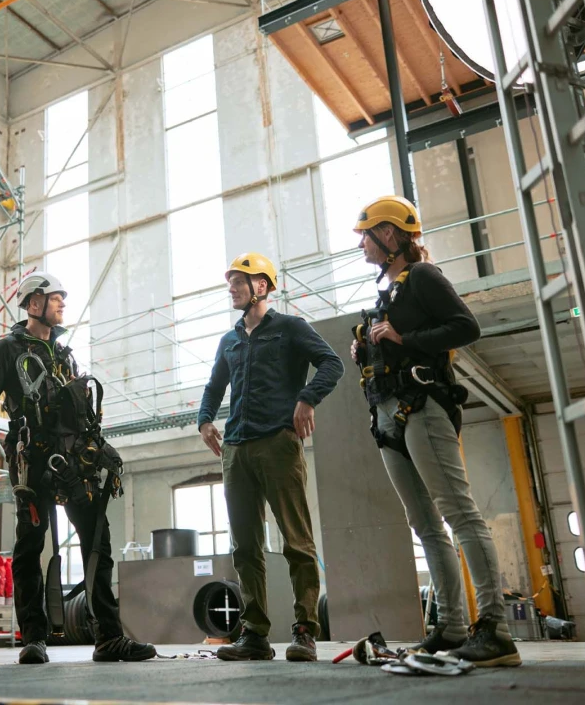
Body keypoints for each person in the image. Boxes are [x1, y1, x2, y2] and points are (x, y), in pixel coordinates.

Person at [349, 195, 521, 667]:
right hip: (387, 416)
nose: (361, 243)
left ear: (389, 235)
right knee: (425, 525)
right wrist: (368, 350)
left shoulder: (423, 276)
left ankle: (496, 630)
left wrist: (406, 340)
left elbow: (465, 327)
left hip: (423, 406)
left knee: (458, 513)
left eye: (366, 234)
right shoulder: (390, 290)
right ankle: (449, 626)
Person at [0, 271, 156, 665]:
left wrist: (101, 450)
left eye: (62, 299)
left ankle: (109, 637)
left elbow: (80, 411)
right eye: (55, 298)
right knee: (30, 548)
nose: (62, 304)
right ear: (33, 304)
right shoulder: (7, 351)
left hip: (74, 465)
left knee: (97, 544)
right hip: (33, 464)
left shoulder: (65, 354)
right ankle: (33, 638)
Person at [197, 252, 344, 663]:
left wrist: (307, 399)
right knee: (245, 547)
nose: (231, 289)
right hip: (236, 449)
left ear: (261, 286)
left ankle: (305, 631)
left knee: (297, 542)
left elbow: (332, 364)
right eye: (230, 283)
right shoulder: (229, 340)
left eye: (238, 282)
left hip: (278, 445)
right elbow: (213, 387)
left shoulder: (291, 328)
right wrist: (205, 420)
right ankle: (255, 635)